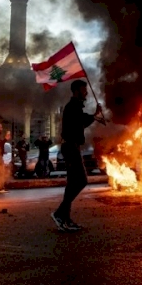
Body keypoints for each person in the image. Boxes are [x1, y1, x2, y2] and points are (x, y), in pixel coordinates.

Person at [51, 79, 105, 232]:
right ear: (76, 91)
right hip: (70, 147)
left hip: (72, 147)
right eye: (83, 90)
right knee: (81, 180)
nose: (86, 92)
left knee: (72, 183)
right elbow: (80, 120)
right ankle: (59, 213)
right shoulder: (72, 106)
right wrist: (94, 116)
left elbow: (81, 121)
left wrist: (94, 116)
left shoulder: (75, 106)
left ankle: (65, 218)